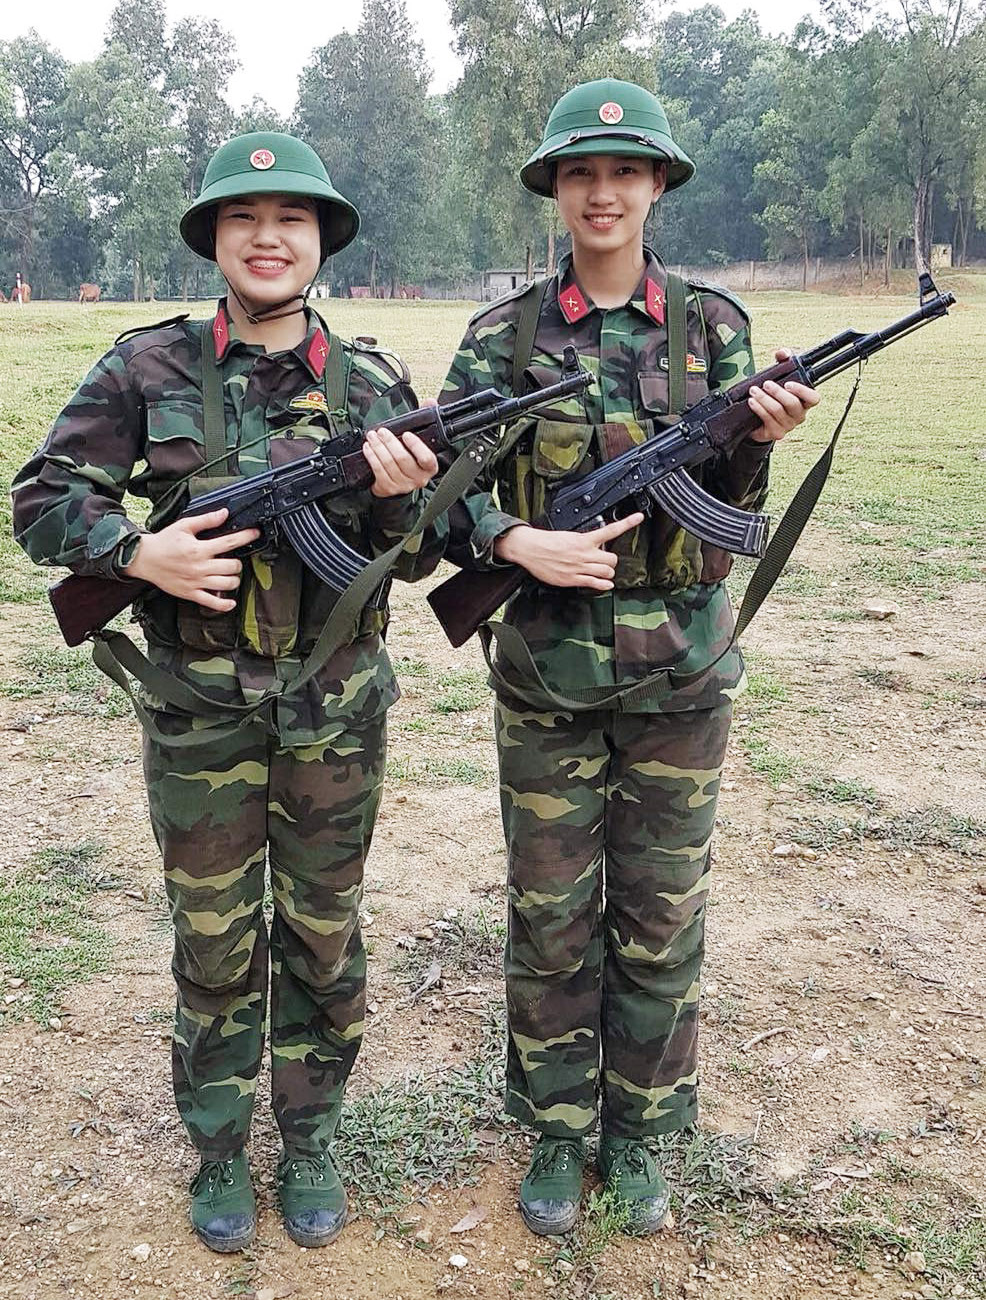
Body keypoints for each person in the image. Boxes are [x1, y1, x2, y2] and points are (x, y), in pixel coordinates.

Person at [12, 132, 445, 1252]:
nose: (267, 237)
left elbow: (418, 555)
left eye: (291, 219)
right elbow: (42, 500)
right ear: (212, 238)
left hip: (335, 717)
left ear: (321, 241)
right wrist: (136, 553)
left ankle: (310, 1139)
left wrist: (400, 499)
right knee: (213, 941)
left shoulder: (372, 384)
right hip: (198, 715)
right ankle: (216, 1147)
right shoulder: (143, 368)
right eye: (243, 218)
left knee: (323, 931)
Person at [438, 80, 820, 1236]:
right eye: (579, 173)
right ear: (555, 189)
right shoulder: (500, 339)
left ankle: (640, 1134)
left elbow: (727, 501)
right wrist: (515, 542)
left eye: (622, 172)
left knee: (658, 917)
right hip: (546, 677)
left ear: (655, 184)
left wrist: (757, 441)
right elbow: (433, 498)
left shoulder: (711, 328)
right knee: (551, 916)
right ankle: (558, 1133)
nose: (601, 192)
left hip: (679, 675)